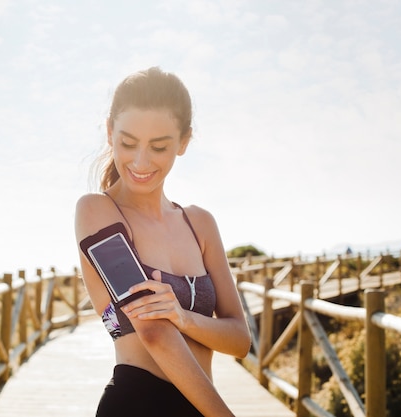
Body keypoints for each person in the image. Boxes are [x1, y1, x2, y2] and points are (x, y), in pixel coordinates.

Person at [75, 67, 251, 417]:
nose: (141, 162)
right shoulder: (96, 212)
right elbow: (153, 332)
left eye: (159, 147)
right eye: (127, 143)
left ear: (183, 142)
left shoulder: (200, 223)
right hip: (136, 404)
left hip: (201, 405)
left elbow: (240, 340)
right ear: (110, 132)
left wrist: (184, 318)